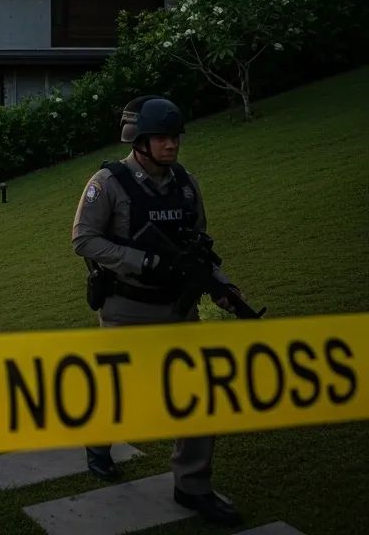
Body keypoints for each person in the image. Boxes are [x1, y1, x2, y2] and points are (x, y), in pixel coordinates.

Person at [72, 95, 243, 527]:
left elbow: (198, 246)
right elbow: (84, 239)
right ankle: (98, 442)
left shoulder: (185, 184)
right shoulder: (108, 182)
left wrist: (221, 287)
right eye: (162, 138)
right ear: (140, 141)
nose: (172, 145)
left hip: (177, 307)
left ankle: (192, 485)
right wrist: (139, 261)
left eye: (175, 137)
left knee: (198, 395)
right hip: (126, 307)